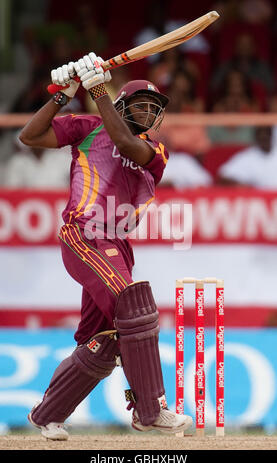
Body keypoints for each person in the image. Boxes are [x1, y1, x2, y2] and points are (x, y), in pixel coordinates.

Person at [19, 53, 193, 440]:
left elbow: (124, 142)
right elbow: (29, 136)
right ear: (119, 105)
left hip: (117, 244)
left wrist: (96, 87)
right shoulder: (88, 127)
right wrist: (62, 96)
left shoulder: (155, 152)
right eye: (140, 106)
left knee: (105, 341)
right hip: (84, 233)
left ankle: (47, 415)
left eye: (154, 108)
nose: (148, 114)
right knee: (135, 306)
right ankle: (150, 411)